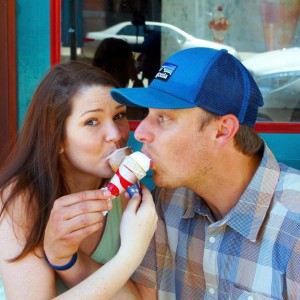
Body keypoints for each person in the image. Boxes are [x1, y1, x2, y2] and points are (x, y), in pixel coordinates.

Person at [110, 47, 300, 299]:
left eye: (164, 118)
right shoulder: (166, 202)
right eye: (147, 114)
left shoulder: (293, 226)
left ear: (222, 131)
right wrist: (66, 256)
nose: (141, 132)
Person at [0, 61, 157, 299]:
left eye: (119, 115)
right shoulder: (19, 202)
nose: (116, 135)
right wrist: (132, 253)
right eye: (92, 121)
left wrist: (68, 261)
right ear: (57, 139)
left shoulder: (129, 200)